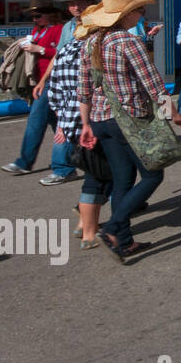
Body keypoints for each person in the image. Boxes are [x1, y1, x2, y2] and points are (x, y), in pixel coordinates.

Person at [77, 0, 181, 261]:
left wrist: (86, 124)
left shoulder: (90, 42)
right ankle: (114, 227)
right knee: (153, 174)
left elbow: (84, 88)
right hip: (129, 119)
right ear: (125, 15)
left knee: (123, 179)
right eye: (138, 10)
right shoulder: (127, 42)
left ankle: (124, 240)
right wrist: (172, 114)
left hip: (101, 119)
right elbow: (153, 85)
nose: (141, 14)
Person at [47, 18, 113, 249]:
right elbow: (97, 88)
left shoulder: (65, 50)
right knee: (107, 175)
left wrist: (63, 121)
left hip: (72, 122)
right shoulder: (95, 51)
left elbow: (53, 92)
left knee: (95, 174)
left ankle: (85, 225)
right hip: (95, 120)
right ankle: (89, 225)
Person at [0, 1, 74, 183]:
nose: (35, 19)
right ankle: (72, 160)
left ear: (50, 14)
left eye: (38, 15)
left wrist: (38, 49)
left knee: (36, 121)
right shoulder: (38, 30)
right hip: (39, 81)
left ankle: (26, 162)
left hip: (50, 81)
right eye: (32, 16)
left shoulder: (58, 29)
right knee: (58, 123)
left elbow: (59, 53)